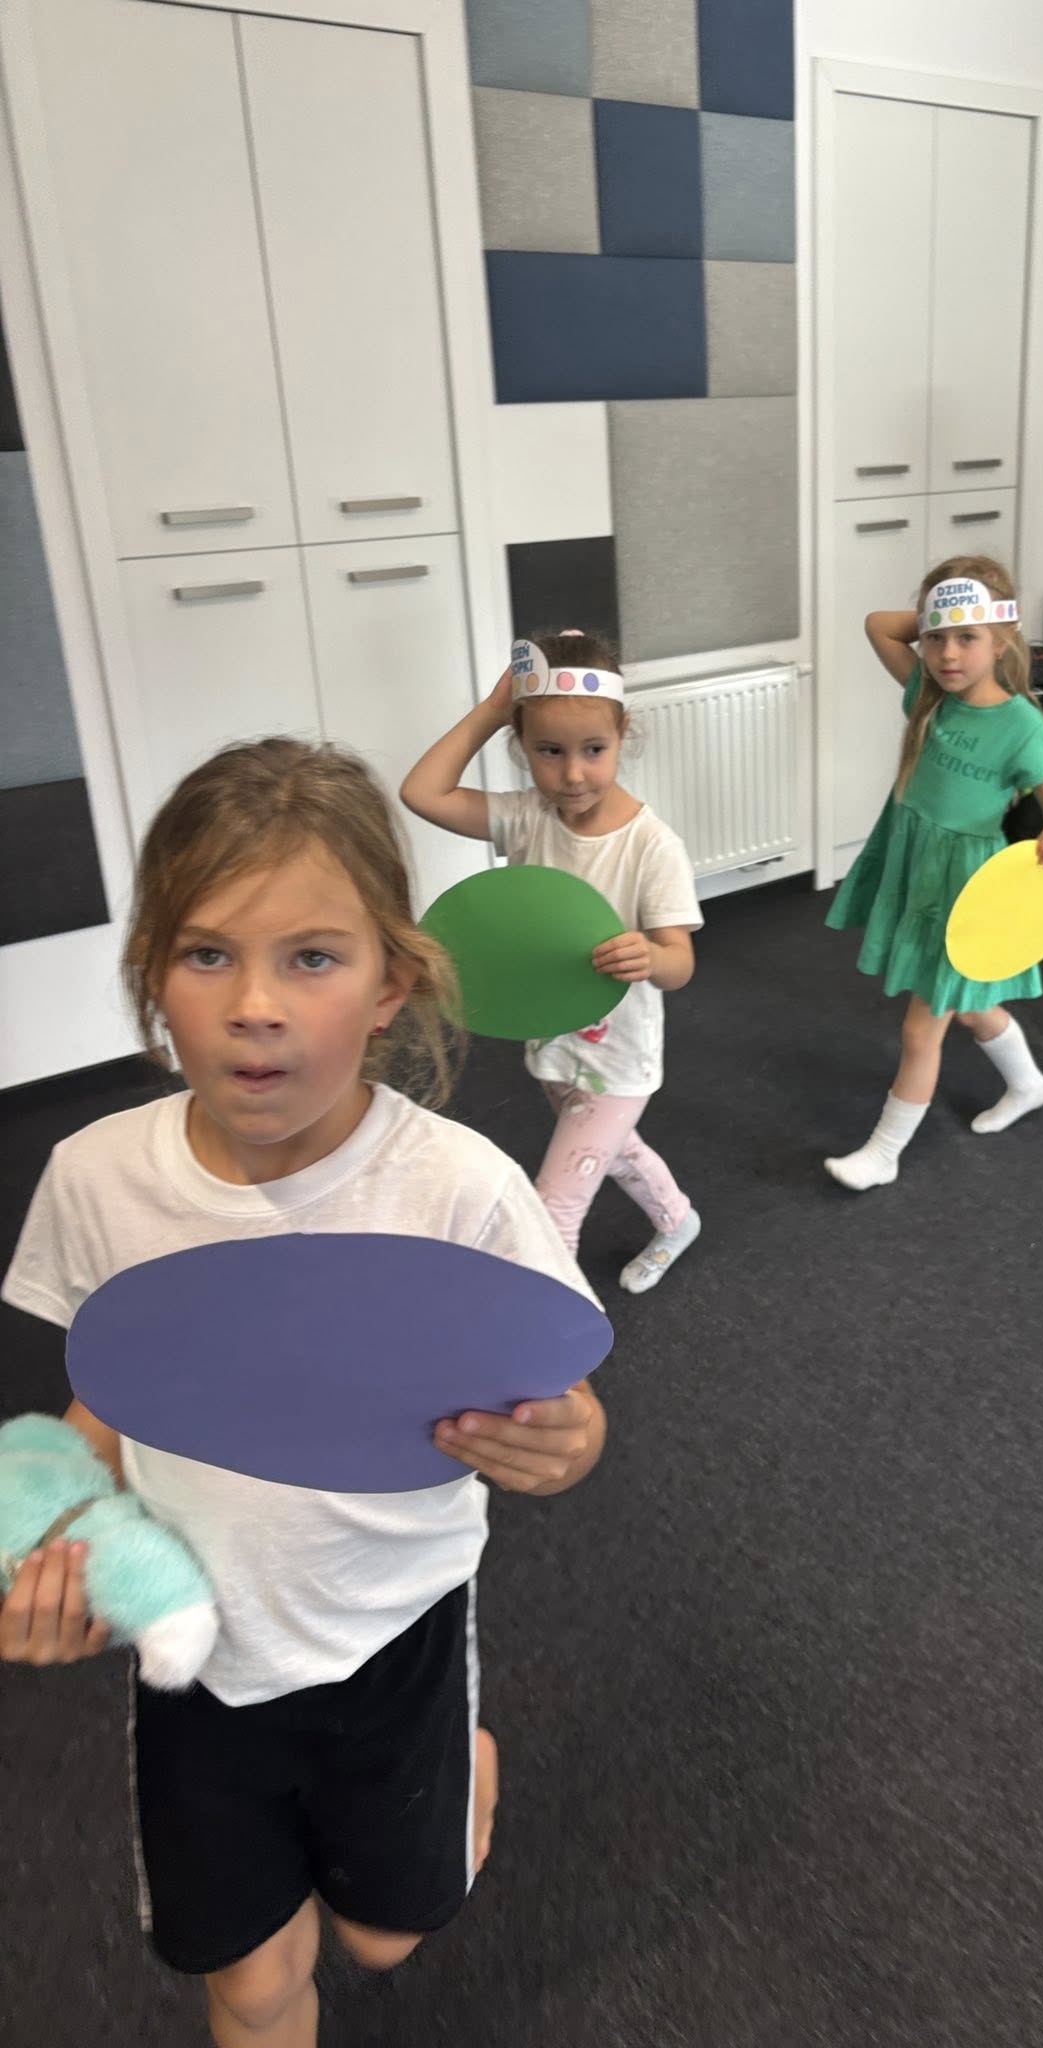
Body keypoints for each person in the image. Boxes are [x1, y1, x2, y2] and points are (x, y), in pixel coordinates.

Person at [0, 738, 607, 2048]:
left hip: (395, 1633)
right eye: (207, 953)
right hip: (201, 1652)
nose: (255, 1005)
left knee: (384, 1938)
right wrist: (53, 1550)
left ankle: (466, 1773)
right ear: (152, 976)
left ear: (393, 983)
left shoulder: (457, 1189)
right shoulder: (97, 1178)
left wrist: (564, 1444)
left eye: (312, 958)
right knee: (252, 1981)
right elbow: (107, 1402)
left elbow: (564, 1412)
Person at [402, 631, 702, 1293]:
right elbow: (422, 792)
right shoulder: (527, 819)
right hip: (554, 1042)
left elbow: (680, 964)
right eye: (549, 751)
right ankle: (678, 1220)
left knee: (555, 1206)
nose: (572, 775)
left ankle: (555, 1334)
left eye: (594, 750)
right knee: (613, 1152)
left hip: (619, 1062)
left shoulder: (651, 847)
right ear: (521, 744)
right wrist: (491, 710)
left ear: (623, 735)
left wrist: (651, 954)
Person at [822, 556, 1043, 1190]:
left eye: (968, 636)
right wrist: (945, 608)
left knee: (922, 1027)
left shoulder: (1019, 723)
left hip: (967, 887)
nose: (947, 653)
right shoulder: (928, 694)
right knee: (972, 1006)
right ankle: (1029, 1083)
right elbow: (878, 625)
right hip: (919, 866)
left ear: (1003, 638)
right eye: (936, 636)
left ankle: (883, 1154)